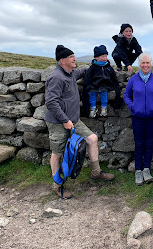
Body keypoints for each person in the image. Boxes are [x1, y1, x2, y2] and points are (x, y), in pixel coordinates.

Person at [45, 45, 114, 199]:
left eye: (74, 56)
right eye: (71, 57)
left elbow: (82, 72)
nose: (75, 59)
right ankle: (57, 186)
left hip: (73, 120)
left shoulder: (70, 74)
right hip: (58, 122)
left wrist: (97, 64)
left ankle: (96, 172)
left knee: (92, 139)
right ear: (62, 61)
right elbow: (51, 102)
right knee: (57, 153)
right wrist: (64, 120)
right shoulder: (57, 77)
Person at [123, 52, 153, 186]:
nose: (145, 65)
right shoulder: (133, 80)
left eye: (148, 63)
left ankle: (146, 169)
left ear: (151, 64)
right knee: (139, 144)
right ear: (139, 64)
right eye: (143, 63)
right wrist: (133, 107)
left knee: (149, 143)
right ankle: (138, 170)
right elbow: (126, 95)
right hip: (138, 117)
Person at [82, 45, 122, 118]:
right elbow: (88, 78)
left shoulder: (108, 67)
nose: (105, 58)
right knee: (91, 93)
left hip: (105, 85)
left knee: (104, 93)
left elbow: (114, 78)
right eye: (102, 56)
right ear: (96, 57)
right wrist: (88, 86)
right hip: (94, 85)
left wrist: (115, 87)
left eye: (106, 56)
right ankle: (92, 109)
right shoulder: (93, 67)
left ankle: (104, 108)